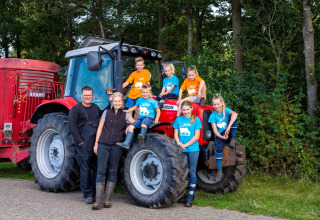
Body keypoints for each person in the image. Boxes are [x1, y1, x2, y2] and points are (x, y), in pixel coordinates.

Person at [92, 92, 134, 210]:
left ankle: (107, 200)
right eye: (115, 101)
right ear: (112, 102)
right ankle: (98, 202)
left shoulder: (125, 115)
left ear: (122, 103)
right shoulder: (106, 112)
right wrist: (96, 144)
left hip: (116, 146)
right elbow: (100, 128)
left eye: (119, 101)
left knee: (112, 171)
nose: (117, 103)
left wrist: (131, 127)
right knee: (100, 171)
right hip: (103, 144)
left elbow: (135, 122)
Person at [68, 86, 102, 204]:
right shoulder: (76, 109)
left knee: (97, 168)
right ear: (82, 96)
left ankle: (94, 192)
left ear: (92, 96)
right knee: (85, 169)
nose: (88, 97)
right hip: (84, 144)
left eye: (90, 95)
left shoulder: (96, 108)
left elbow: (105, 115)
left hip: (96, 144)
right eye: (85, 95)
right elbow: (72, 126)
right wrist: (80, 141)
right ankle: (87, 194)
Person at [173, 100, 202, 208]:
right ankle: (188, 193)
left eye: (187, 109)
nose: (185, 112)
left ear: (191, 109)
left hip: (193, 149)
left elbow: (197, 136)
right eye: (183, 110)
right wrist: (179, 143)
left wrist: (186, 144)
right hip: (181, 149)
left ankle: (190, 197)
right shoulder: (178, 120)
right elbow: (175, 134)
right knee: (183, 172)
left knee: (192, 171)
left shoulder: (196, 120)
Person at [117, 84, 160, 149]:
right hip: (141, 118)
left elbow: (158, 110)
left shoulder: (152, 101)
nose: (145, 94)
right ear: (141, 92)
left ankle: (141, 137)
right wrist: (128, 111)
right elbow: (135, 107)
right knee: (131, 126)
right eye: (143, 92)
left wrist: (156, 119)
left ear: (150, 92)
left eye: (147, 92)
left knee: (143, 124)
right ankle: (126, 144)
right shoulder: (140, 100)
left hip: (149, 118)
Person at [208, 93, 238, 183]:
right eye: (214, 104)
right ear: (212, 105)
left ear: (221, 103)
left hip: (228, 130)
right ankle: (219, 171)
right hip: (220, 134)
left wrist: (228, 128)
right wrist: (221, 136)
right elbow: (215, 131)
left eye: (217, 104)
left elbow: (235, 114)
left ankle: (233, 137)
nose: (216, 106)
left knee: (234, 118)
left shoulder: (226, 110)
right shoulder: (212, 116)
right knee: (219, 148)